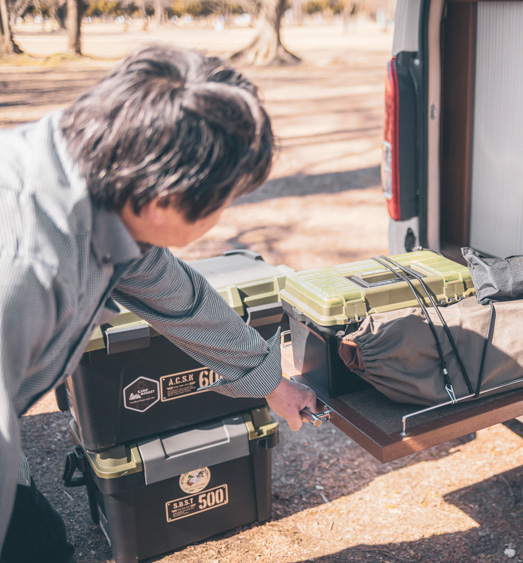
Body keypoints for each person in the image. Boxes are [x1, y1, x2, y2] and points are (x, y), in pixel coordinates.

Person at [0, 44, 317, 562]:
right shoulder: (27, 264)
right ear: (162, 201)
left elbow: (182, 302)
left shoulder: (101, 181)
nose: (220, 217)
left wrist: (272, 385)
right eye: (222, 204)